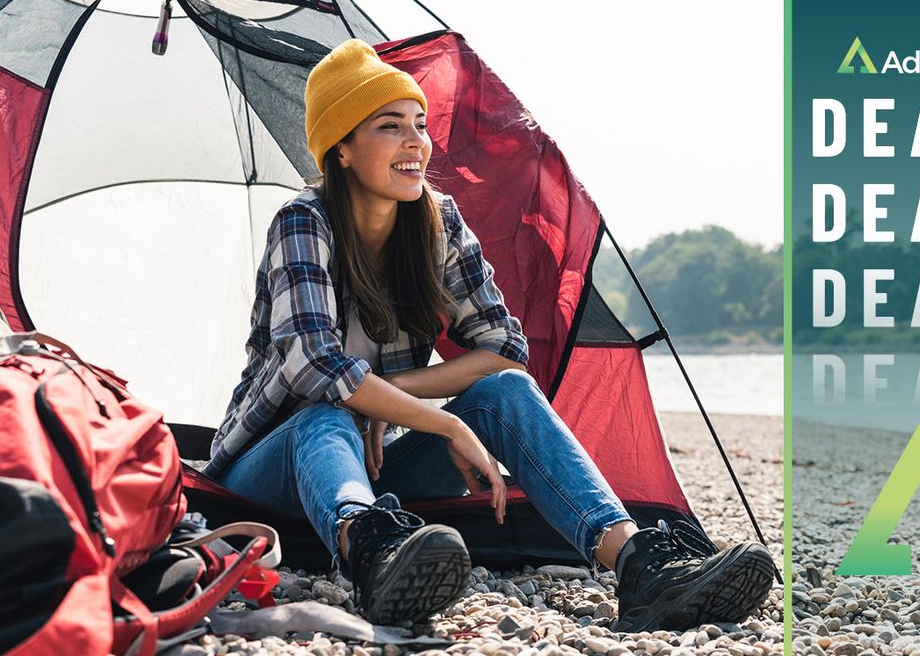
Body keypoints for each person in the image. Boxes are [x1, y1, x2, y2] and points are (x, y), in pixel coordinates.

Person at [204, 39, 775, 631]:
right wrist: (443, 420)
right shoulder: (303, 221)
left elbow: (504, 351)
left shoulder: (437, 220)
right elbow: (314, 369)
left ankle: (637, 566)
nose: (415, 143)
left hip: (375, 469)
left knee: (506, 393)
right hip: (270, 472)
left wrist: (386, 397)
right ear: (341, 150)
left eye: (420, 125)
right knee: (325, 414)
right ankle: (373, 555)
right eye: (389, 126)